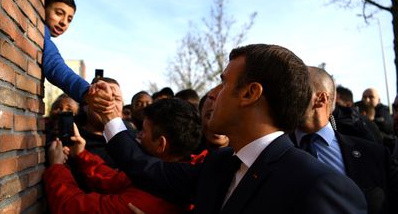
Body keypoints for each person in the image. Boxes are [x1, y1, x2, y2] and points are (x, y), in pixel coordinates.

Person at [92, 44, 367, 214]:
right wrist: (110, 117)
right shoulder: (220, 164)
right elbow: (146, 169)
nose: (213, 94)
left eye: (223, 83)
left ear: (249, 94)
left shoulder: (318, 186)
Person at [44, 98, 202, 214]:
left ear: (161, 144)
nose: (138, 136)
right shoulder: (168, 176)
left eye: (143, 131)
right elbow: (113, 179)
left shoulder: (141, 204)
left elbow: (70, 207)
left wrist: (57, 167)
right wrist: (81, 154)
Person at [295, 66, 398, 214]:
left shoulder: (376, 155)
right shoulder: (271, 153)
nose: (287, 93)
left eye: (297, 86)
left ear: (320, 99)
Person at [43, 0, 91, 103]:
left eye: (69, 19)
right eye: (59, 13)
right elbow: (55, 66)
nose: (64, 22)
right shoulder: (39, 34)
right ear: (42, 9)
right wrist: (87, 91)